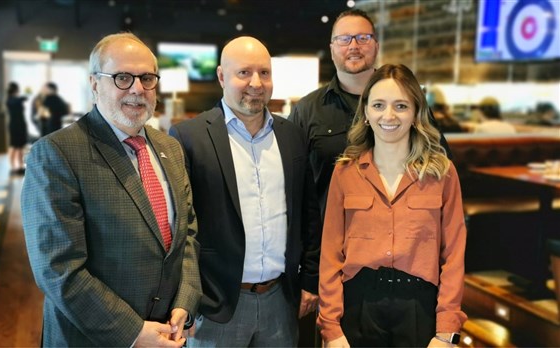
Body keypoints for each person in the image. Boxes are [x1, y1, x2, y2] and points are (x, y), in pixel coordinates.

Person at [21, 32, 201, 347]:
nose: (137, 89)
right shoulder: (57, 153)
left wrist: (184, 304)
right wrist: (133, 333)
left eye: (147, 78)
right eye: (122, 78)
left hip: (168, 335)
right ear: (94, 84)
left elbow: (187, 237)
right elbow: (58, 269)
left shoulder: (170, 149)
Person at [169, 36, 321, 347]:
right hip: (217, 305)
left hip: (281, 300)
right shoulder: (189, 137)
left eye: (264, 73)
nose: (256, 83)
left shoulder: (292, 135)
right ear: (222, 76)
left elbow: (308, 214)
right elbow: (181, 227)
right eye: (244, 73)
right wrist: (186, 300)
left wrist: (310, 280)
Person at [318, 64, 467, 347]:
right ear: (365, 113)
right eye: (378, 105)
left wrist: (447, 330)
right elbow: (330, 255)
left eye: (400, 105)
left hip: (420, 308)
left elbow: (454, 255)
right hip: (358, 307)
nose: (389, 116)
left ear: (415, 113)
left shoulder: (442, 173)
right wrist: (331, 328)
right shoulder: (345, 172)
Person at [290, 8, 451, 217]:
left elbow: (440, 165)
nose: (354, 46)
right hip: (327, 239)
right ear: (332, 49)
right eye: (344, 39)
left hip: (402, 236)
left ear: (376, 46)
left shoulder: (408, 102)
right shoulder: (306, 110)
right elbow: (295, 185)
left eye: (363, 38)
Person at [4, 81, 28, 175]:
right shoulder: (10, 100)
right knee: (14, 146)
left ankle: (20, 166)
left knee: (20, 147)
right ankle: (13, 167)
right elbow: (22, 99)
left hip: (20, 124)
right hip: (15, 125)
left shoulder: (14, 99)